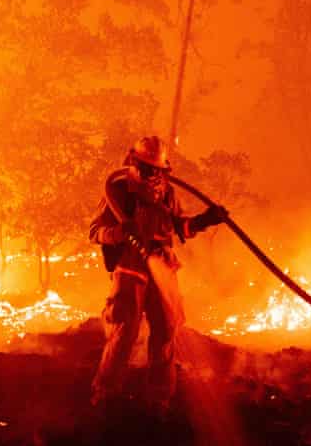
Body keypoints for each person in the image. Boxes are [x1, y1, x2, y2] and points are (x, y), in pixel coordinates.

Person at [89, 135, 227, 413]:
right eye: (146, 168)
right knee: (124, 330)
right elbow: (95, 232)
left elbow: (181, 228)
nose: (152, 175)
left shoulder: (167, 193)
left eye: (156, 170)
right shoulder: (117, 190)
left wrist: (205, 220)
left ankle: (159, 398)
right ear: (134, 162)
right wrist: (118, 233)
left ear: (164, 170)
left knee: (165, 331)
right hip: (130, 269)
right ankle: (106, 395)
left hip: (162, 267)